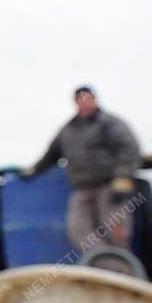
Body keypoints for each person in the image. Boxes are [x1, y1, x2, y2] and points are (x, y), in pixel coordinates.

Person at [24, 85, 142, 252]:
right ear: (75, 103)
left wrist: (123, 177)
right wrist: (34, 170)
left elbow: (128, 148)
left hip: (109, 186)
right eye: (80, 100)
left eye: (88, 99)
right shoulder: (68, 129)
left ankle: (120, 271)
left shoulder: (110, 123)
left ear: (95, 99)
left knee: (115, 232)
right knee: (77, 229)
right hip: (82, 188)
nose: (84, 103)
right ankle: (105, 266)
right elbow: (51, 155)